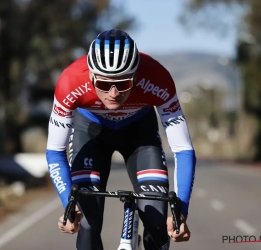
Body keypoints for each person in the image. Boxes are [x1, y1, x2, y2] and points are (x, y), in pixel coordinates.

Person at [46, 29, 196, 250]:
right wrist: (69, 205)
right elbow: (55, 151)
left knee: (157, 223)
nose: (114, 93)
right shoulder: (70, 82)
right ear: (91, 75)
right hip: (90, 132)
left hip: (139, 134)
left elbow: (183, 149)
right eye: (104, 85)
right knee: (86, 223)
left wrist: (180, 212)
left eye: (124, 83)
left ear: (136, 76)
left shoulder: (157, 78)